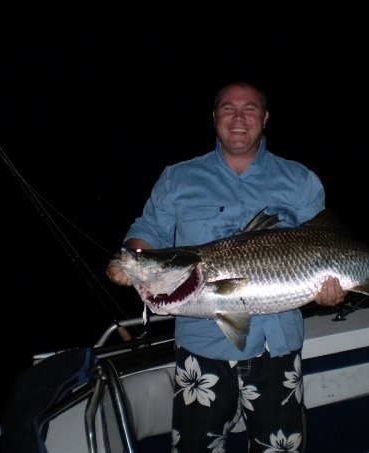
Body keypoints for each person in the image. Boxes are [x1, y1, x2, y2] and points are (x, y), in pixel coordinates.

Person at [106, 81, 346, 452]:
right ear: (214, 117)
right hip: (201, 347)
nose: (238, 117)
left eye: (249, 108)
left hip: (275, 348)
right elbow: (148, 230)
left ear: (264, 118)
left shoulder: (299, 179)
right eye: (228, 108)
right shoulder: (178, 178)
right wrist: (134, 259)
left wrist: (335, 291)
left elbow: (326, 243)